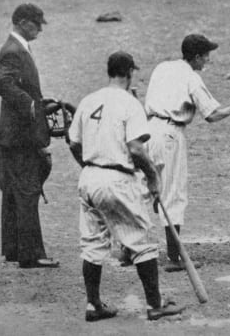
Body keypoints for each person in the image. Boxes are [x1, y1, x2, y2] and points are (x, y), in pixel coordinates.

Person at [68, 51, 185, 321]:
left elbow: (74, 143)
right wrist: (153, 176)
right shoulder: (129, 103)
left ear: (109, 71)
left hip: (89, 178)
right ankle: (155, 305)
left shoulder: (89, 99)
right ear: (129, 71)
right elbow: (136, 148)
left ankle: (94, 304)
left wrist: (89, 166)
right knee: (141, 240)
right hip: (117, 180)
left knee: (92, 243)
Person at [144, 34, 230, 272]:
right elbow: (211, 115)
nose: (208, 61)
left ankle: (125, 248)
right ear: (196, 57)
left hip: (147, 132)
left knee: (144, 190)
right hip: (170, 135)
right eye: (206, 56)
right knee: (173, 195)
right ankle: (175, 259)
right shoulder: (191, 77)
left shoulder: (163, 67)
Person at [0, 3, 59, 268]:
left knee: (14, 190)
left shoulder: (15, 48)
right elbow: (2, 83)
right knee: (28, 190)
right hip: (20, 136)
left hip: (13, 135)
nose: (40, 29)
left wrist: (40, 100)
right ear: (21, 22)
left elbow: (16, 84)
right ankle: (31, 254)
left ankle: (14, 249)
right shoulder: (13, 50)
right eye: (36, 23)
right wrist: (31, 106)